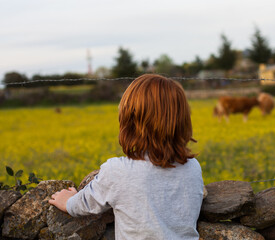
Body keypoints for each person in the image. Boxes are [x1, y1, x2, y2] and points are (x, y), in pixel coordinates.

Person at [49, 74, 204, 240]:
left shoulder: (118, 170)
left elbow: (85, 203)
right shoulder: (193, 167)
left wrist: (68, 202)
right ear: (182, 120)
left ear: (129, 120)